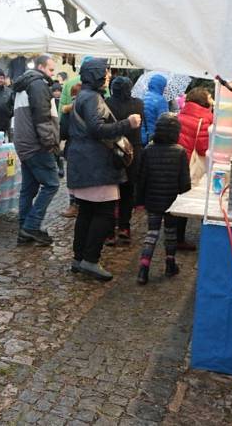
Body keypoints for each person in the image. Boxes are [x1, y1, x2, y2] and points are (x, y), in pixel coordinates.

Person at [67, 58, 141, 281]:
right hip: (96, 165)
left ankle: (79, 259)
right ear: (96, 74)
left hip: (85, 163)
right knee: (105, 213)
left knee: (87, 212)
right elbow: (98, 129)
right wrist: (129, 123)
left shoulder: (83, 95)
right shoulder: (92, 98)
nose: (108, 75)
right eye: (106, 72)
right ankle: (90, 260)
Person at [135, 113, 191, 285]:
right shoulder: (180, 152)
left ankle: (143, 270)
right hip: (172, 201)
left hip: (152, 200)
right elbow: (184, 182)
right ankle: (170, 264)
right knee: (171, 234)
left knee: (151, 234)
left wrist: (139, 201)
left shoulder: (148, 151)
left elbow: (141, 178)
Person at [12, 53, 61, 246]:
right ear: (41, 67)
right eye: (50, 69)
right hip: (36, 145)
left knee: (28, 189)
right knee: (52, 184)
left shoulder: (23, 85)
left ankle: (24, 231)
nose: (52, 73)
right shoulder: (38, 84)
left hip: (24, 144)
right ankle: (31, 226)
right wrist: (50, 144)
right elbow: (42, 118)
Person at [104, 76, 145, 244]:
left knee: (110, 192)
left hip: (111, 151)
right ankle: (124, 227)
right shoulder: (138, 104)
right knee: (128, 191)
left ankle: (108, 231)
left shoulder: (106, 103)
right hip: (132, 152)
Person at [175, 87, 215, 250]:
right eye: (210, 97)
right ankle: (207, 239)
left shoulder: (180, 114)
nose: (212, 99)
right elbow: (203, 147)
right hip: (194, 164)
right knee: (201, 200)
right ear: (204, 100)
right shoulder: (206, 118)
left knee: (180, 199)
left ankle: (177, 238)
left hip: (178, 162)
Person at [59, 82, 83, 218]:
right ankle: (83, 204)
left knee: (73, 178)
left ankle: (73, 205)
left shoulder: (68, 110)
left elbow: (63, 132)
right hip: (88, 148)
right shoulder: (91, 106)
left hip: (73, 147)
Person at [142, 74, 169, 145]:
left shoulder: (142, 96)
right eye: (165, 86)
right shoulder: (161, 100)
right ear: (160, 85)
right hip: (152, 138)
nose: (165, 88)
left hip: (139, 136)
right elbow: (165, 122)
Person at [52, 83, 65, 177]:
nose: (57, 93)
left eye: (58, 91)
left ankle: (60, 167)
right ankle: (56, 167)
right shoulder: (50, 101)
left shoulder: (63, 102)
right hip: (52, 127)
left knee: (59, 149)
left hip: (60, 127)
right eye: (55, 91)